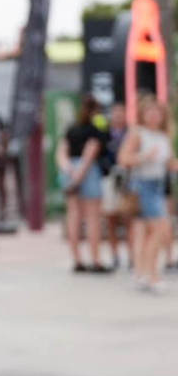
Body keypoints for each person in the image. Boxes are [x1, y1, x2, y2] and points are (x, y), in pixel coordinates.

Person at [118, 97, 177, 293]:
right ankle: (152, 274)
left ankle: (142, 271)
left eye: (157, 112)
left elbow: (168, 162)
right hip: (143, 185)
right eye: (150, 112)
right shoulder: (138, 133)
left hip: (159, 185)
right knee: (162, 231)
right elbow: (123, 158)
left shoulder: (163, 136)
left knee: (150, 233)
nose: (153, 116)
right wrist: (144, 156)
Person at [57, 96, 110, 273]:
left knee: (74, 216)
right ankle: (95, 259)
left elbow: (61, 153)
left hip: (70, 169)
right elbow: (90, 153)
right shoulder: (96, 130)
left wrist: (69, 171)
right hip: (87, 172)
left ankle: (77, 259)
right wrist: (79, 177)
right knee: (92, 218)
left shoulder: (71, 129)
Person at [102, 103, 135, 270]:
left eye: (121, 112)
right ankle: (114, 254)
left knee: (128, 218)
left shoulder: (131, 133)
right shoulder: (105, 134)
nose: (118, 116)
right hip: (110, 177)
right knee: (111, 218)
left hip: (128, 178)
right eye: (115, 113)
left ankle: (132, 256)